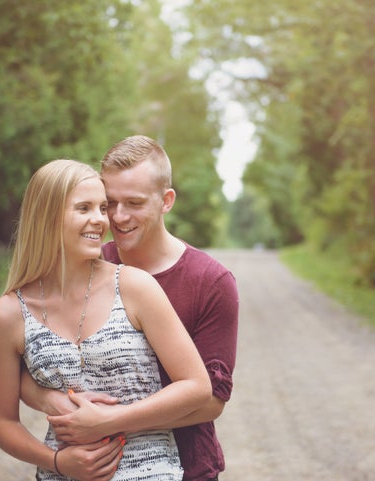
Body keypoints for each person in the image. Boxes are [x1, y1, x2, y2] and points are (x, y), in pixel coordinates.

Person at [21, 136, 239, 481]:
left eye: (135, 203)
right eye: (110, 203)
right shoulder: (88, 261)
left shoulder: (211, 281)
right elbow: (26, 362)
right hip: (89, 467)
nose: (119, 217)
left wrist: (110, 422)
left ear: (166, 200)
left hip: (187, 467)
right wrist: (53, 402)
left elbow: (212, 400)